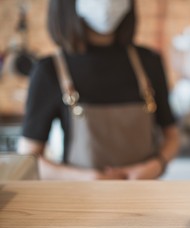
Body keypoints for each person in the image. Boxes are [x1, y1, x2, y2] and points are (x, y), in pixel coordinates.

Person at [18, 0, 180, 180]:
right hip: (81, 200)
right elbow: (29, 158)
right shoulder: (49, 70)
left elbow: (172, 136)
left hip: (146, 196)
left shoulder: (149, 62)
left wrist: (156, 165)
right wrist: (89, 178)